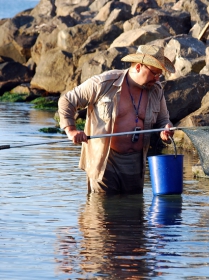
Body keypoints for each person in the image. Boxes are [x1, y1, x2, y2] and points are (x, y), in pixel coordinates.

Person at [58, 45, 175, 194]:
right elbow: (67, 100)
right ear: (139, 66)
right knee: (102, 214)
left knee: (133, 214)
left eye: (160, 74)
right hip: (105, 163)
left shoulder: (156, 89)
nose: (157, 78)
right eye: (154, 73)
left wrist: (166, 129)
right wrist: (71, 130)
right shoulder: (104, 83)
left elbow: (163, 119)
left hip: (136, 165)